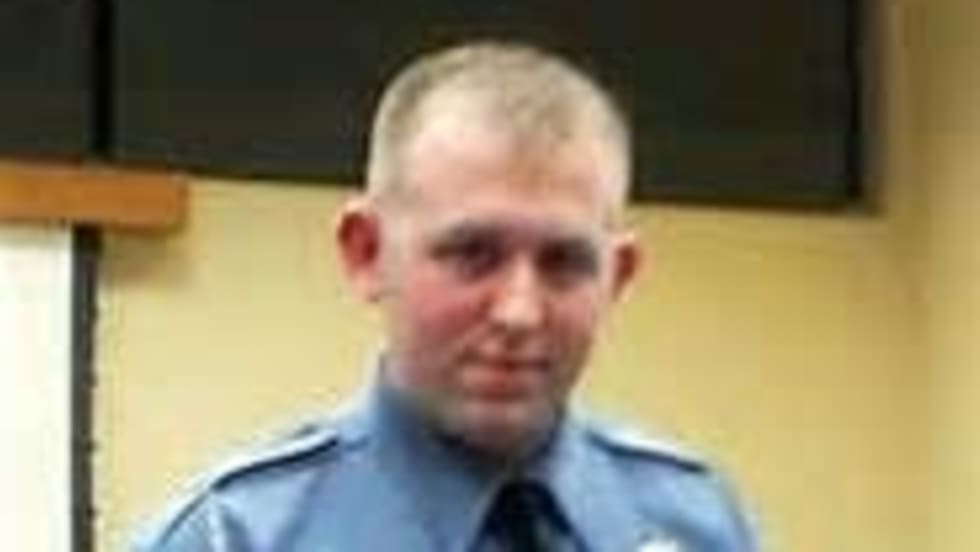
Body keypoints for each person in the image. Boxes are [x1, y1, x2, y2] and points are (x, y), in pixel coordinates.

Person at [134, 41, 758, 552]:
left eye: (564, 263)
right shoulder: (230, 539)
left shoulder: (695, 523)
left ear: (618, 277)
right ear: (366, 251)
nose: (519, 312)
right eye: (472, 254)